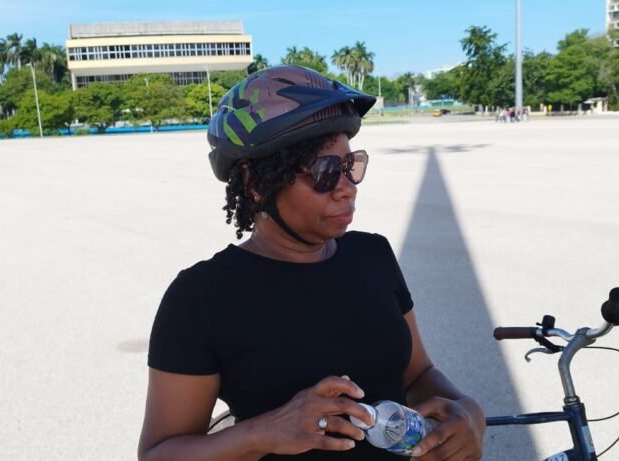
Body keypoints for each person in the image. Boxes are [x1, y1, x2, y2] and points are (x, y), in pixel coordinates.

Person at [138, 66, 485, 461]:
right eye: (325, 172)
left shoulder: (373, 255)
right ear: (256, 183)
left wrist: (466, 410)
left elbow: (417, 374)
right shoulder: (201, 297)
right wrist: (263, 433)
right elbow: (159, 454)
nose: (347, 188)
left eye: (350, 165)